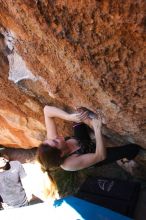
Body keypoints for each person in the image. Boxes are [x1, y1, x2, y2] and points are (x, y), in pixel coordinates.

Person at [37, 105, 141, 196]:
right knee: (132, 149)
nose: (57, 137)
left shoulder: (52, 142)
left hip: (82, 141)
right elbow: (100, 156)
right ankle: (128, 158)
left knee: (79, 113)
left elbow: (47, 110)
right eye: (56, 142)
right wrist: (97, 130)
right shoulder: (69, 164)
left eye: (52, 140)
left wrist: (68, 117)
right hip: (94, 155)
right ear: (61, 154)